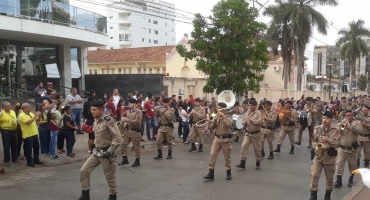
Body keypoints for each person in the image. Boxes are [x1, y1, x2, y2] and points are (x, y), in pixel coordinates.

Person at [79, 100, 122, 200]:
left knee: (110, 177)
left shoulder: (109, 120)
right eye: (91, 109)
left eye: (95, 110)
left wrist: (110, 151)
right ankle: (85, 194)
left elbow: (118, 137)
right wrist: (93, 146)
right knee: (84, 171)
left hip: (107, 153)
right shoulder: (96, 120)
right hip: (97, 151)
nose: (92, 112)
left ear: (101, 110)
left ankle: (113, 195)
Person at [309, 111, 340, 200]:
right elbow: (313, 140)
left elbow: (338, 143)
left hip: (329, 157)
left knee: (329, 178)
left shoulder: (336, 130)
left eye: (327, 118)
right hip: (318, 155)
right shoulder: (317, 128)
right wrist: (315, 147)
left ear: (331, 119)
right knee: (314, 175)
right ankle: (313, 195)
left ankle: (328, 195)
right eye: (323, 118)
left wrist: (328, 140)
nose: (324, 120)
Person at [203, 102, 233, 180]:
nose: (218, 109)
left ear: (224, 109)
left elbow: (229, 124)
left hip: (226, 139)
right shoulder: (217, 116)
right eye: (217, 108)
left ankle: (228, 172)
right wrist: (212, 120)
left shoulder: (228, 116)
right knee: (212, 155)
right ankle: (211, 173)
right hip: (217, 139)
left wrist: (223, 116)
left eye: (219, 108)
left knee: (227, 157)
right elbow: (211, 127)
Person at [334, 111, 362, 188]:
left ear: (352, 115)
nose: (347, 117)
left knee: (352, 165)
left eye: (349, 115)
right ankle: (338, 181)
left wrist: (350, 127)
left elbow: (359, 131)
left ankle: (351, 179)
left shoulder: (357, 122)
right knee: (339, 163)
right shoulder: (342, 122)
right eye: (346, 115)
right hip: (342, 147)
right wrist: (341, 124)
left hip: (352, 148)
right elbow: (337, 131)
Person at [236, 100, 263, 170]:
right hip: (248, 133)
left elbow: (260, 122)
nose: (250, 107)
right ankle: (242, 162)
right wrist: (243, 122)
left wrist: (252, 120)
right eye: (249, 105)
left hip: (256, 134)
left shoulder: (258, 113)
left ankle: (258, 162)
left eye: (251, 105)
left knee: (257, 149)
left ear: (255, 106)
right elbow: (243, 120)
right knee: (244, 147)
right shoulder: (247, 112)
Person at [19, 103, 44, 167]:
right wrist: (35, 115)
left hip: (34, 133)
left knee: (36, 148)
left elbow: (37, 120)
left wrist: (40, 115)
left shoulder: (31, 114)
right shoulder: (22, 115)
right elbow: (28, 122)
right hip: (28, 135)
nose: (30, 108)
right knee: (28, 149)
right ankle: (29, 161)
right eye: (29, 107)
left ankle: (36, 159)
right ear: (25, 108)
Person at [120, 98, 143, 167]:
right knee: (123, 144)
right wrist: (123, 124)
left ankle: (137, 160)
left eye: (131, 103)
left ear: (135, 104)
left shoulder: (138, 112)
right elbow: (127, 121)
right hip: (128, 131)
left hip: (135, 131)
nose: (129, 104)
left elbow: (138, 122)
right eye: (129, 103)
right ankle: (125, 159)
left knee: (136, 146)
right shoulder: (128, 111)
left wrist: (127, 120)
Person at [0, 101, 22, 166]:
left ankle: (14, 158)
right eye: (6, 106)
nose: (8, 107)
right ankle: (6, 160)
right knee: (7, 146)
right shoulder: (1, 113)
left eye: (9, 105)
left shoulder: (12, 112)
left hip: (14, 130)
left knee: (15, 144)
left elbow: (15, 119)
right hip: (6, 131)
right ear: (3, 107)